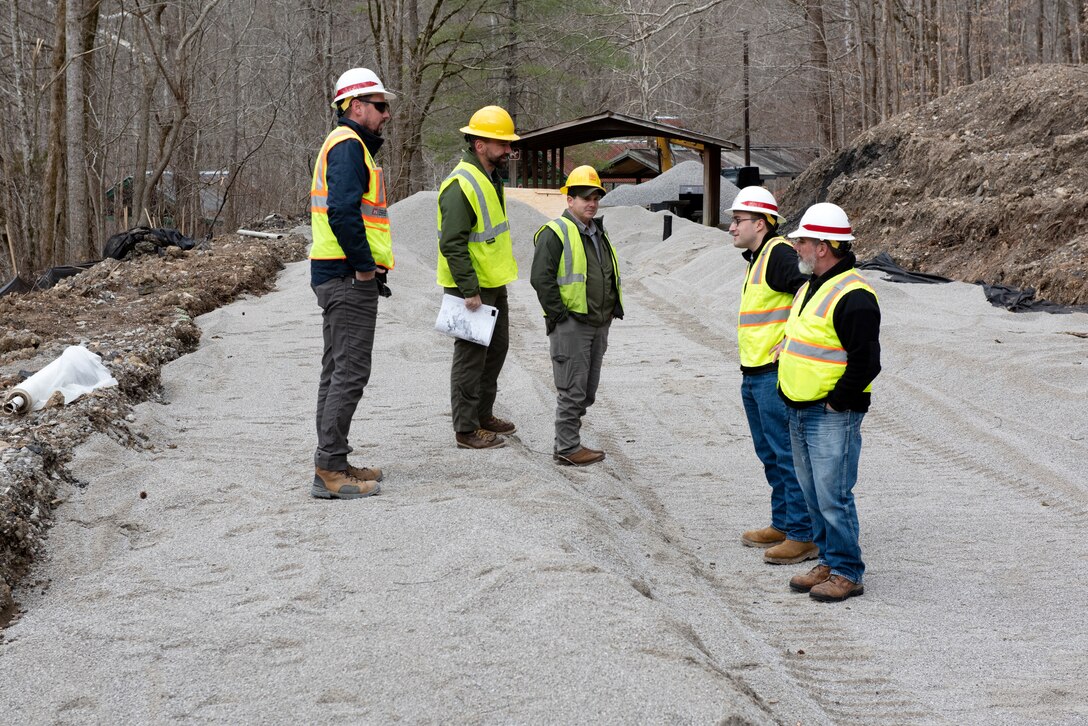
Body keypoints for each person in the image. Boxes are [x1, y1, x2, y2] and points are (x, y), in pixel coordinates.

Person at [777, 202, 881, 602]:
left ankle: (847, 571)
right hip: (800, 408)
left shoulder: (854, 295)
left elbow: (867, 362)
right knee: (812, 492)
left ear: (822, 246)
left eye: (802, 241)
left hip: (829, 413)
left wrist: (837, 402)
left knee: (833, 494)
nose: (797, 248)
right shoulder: (809, 285)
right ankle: (827, 559)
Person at [308, 68, 395, 500]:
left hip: (338, 273)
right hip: (345, 276)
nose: (386, 114)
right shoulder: (347, 146)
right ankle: (329, 470)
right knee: (349, 372)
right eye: (380, 106)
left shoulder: (348, 146)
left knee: (337, 370)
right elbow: (343, 212)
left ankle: (335, 459)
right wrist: (364, 268)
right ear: (355, 107)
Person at [729, 187, 817, 565]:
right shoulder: (759, 257)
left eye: (738, 221)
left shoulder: (779, 253)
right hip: (754, 373)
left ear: (761, 224)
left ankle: (802, 534)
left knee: (785, 453)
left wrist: (791, 339)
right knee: (770, 453)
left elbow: (810, 290)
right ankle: (783, 523)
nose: (731, 227)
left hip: (772, 374)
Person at [436, 105, 521, 450]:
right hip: (469, 287)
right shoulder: (461, 184)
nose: (508, 150)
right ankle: (466, 429)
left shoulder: (490, 178)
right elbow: (452, 243)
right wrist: (470, 290)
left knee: (495, 350)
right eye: (501, 144)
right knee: (471, 356)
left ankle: (483, 413)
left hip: (491, 282)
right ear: (479, 145)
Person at [530, 166, 623, 466]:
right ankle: (568, 448)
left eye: (595, 196)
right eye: (584, 197)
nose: (591, 203)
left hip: (598, 323)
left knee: (586, 390)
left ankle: (568, 444)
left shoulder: (598, 232)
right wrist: (559, 316)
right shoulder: (556, 232)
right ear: (569, 200)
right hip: (572, 324)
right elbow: (540, 278)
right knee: (571, 388)